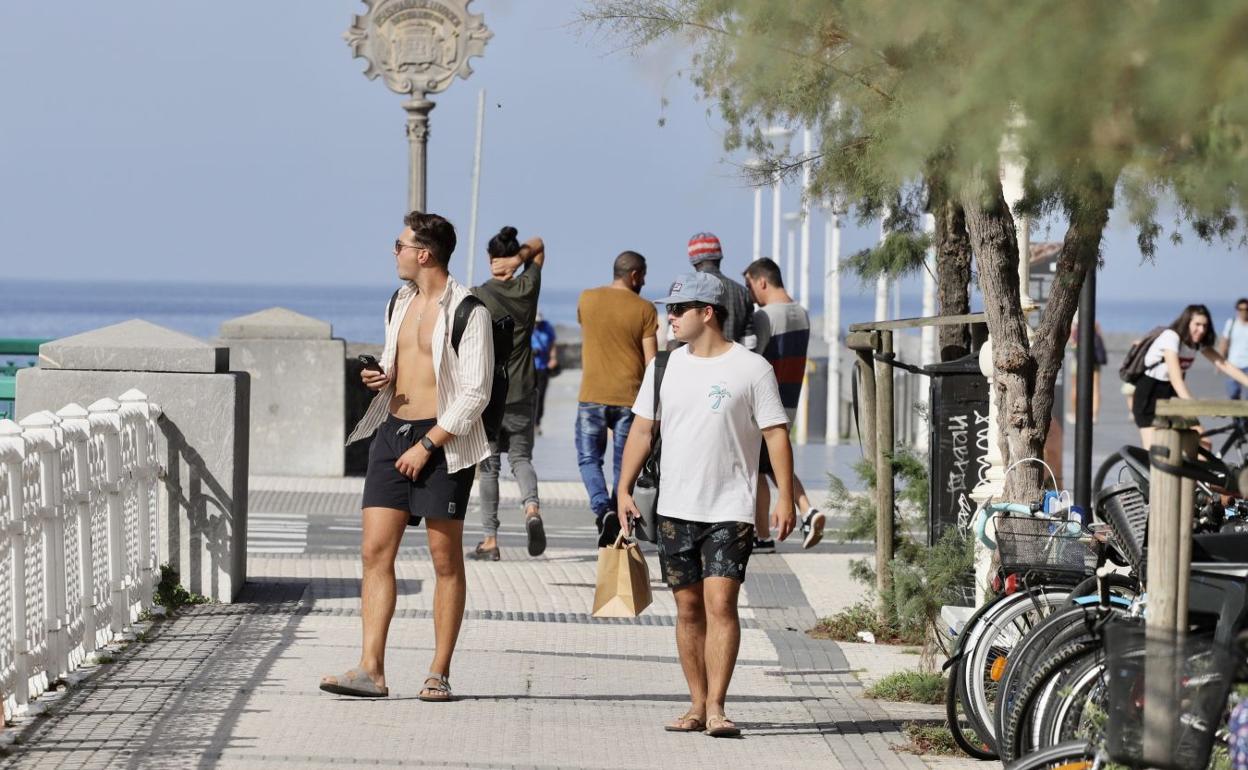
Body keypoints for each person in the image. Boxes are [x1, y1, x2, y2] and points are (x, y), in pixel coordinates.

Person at [617, 272, 795, 739]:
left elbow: (775, 433)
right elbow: (642, 430)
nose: (670, 318)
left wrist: (785, 497)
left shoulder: (752, 368)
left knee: (721, 603)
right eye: (669, 310)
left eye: (679, 310)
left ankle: (717, 706)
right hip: (674, 507)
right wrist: (623, 488)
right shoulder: (663, 367)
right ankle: (696, 703)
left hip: (730, 508)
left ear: (707, 313)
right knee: (688, 608)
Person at [324, 211, 492, 701]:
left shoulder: (469, 311)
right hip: (392, 432)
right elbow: (399, 361)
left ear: (424, 253)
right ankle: (370, 669)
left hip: (443, 442)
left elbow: (475, 392)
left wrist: (428, 444)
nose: (393, 252)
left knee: (444, 559)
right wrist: (381, 374)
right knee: (374, 553)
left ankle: (438, 671)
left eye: (399, 245)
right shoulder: (399, 301)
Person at [470, 226, 547, 561]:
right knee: (521, 459)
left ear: (490, 259)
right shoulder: (528, 286)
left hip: (490, 393)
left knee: (488, 467)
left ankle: (490, 540)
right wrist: (520, 260)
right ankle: (531, 508)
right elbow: (539, 245)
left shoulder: (479, 294)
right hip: (523, 389)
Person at [742, 257, 826, 551]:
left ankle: (766, 533)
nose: (750, 293)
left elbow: (752, 359)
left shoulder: (765, 317)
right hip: (789, 398)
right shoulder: (802, 314)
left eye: (749, 286)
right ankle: (805, 511)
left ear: (762, 281)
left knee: (760, 468)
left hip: (766, 401)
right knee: (772, 464)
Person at [577, 250, 658, 547]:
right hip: (630, 398)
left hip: (592, 395)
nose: (644, 282)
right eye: (643, 276)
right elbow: (652, 363)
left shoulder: (586, 298)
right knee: (624, 465)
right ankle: (615, 512)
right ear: (634, 275)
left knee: (589, 459)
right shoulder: (645, 309)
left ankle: (603, 511)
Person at [1133, 303, 1248, 447]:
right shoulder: (1171, 337)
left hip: (1172, 396)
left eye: (1205, 326)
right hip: (1149, 396)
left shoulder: (1196, 343)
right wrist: (1194, 407)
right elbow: (1176, 379)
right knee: (1155, 450)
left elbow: (1223, 364)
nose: (1201, 330)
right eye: (1197, 324)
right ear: (1187, 323)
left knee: (1204, 444)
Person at [680, 232, 753, 348]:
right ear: (719, 258)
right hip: (735, 359)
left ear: (694, 262)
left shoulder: (682, 290)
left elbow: (674, 339)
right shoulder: (743, 293)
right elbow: (749, 342)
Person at [1067, 318, 1107, 424]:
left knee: (1075, 387)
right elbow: (1099, 335)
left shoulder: (1075, 326)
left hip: (1078, 360)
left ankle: (1074, 414)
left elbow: (1071, 341)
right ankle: (1094, 415)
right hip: (1094, 362)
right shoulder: (1094, 324)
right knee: (1096, 388)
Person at [531, 311, 558, 435]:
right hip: (529, 367)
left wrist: (553, 358)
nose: (536, 324)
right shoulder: (527, 325)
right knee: (529, 395)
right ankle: (528, 423)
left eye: (538, 322)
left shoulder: (547, 327)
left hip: (543, 367)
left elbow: (552, 343)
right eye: (535, 322)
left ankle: (537, 423)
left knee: (540, 396)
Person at [1218, 298, 1248, 400]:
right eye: (1241, 309)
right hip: (1233, 363)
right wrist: (1219, 360)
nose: (1244, 312)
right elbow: (1224, 342)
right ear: (1237, 310)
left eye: (1246, 309)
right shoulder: (1231, 323)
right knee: (1233, 392)